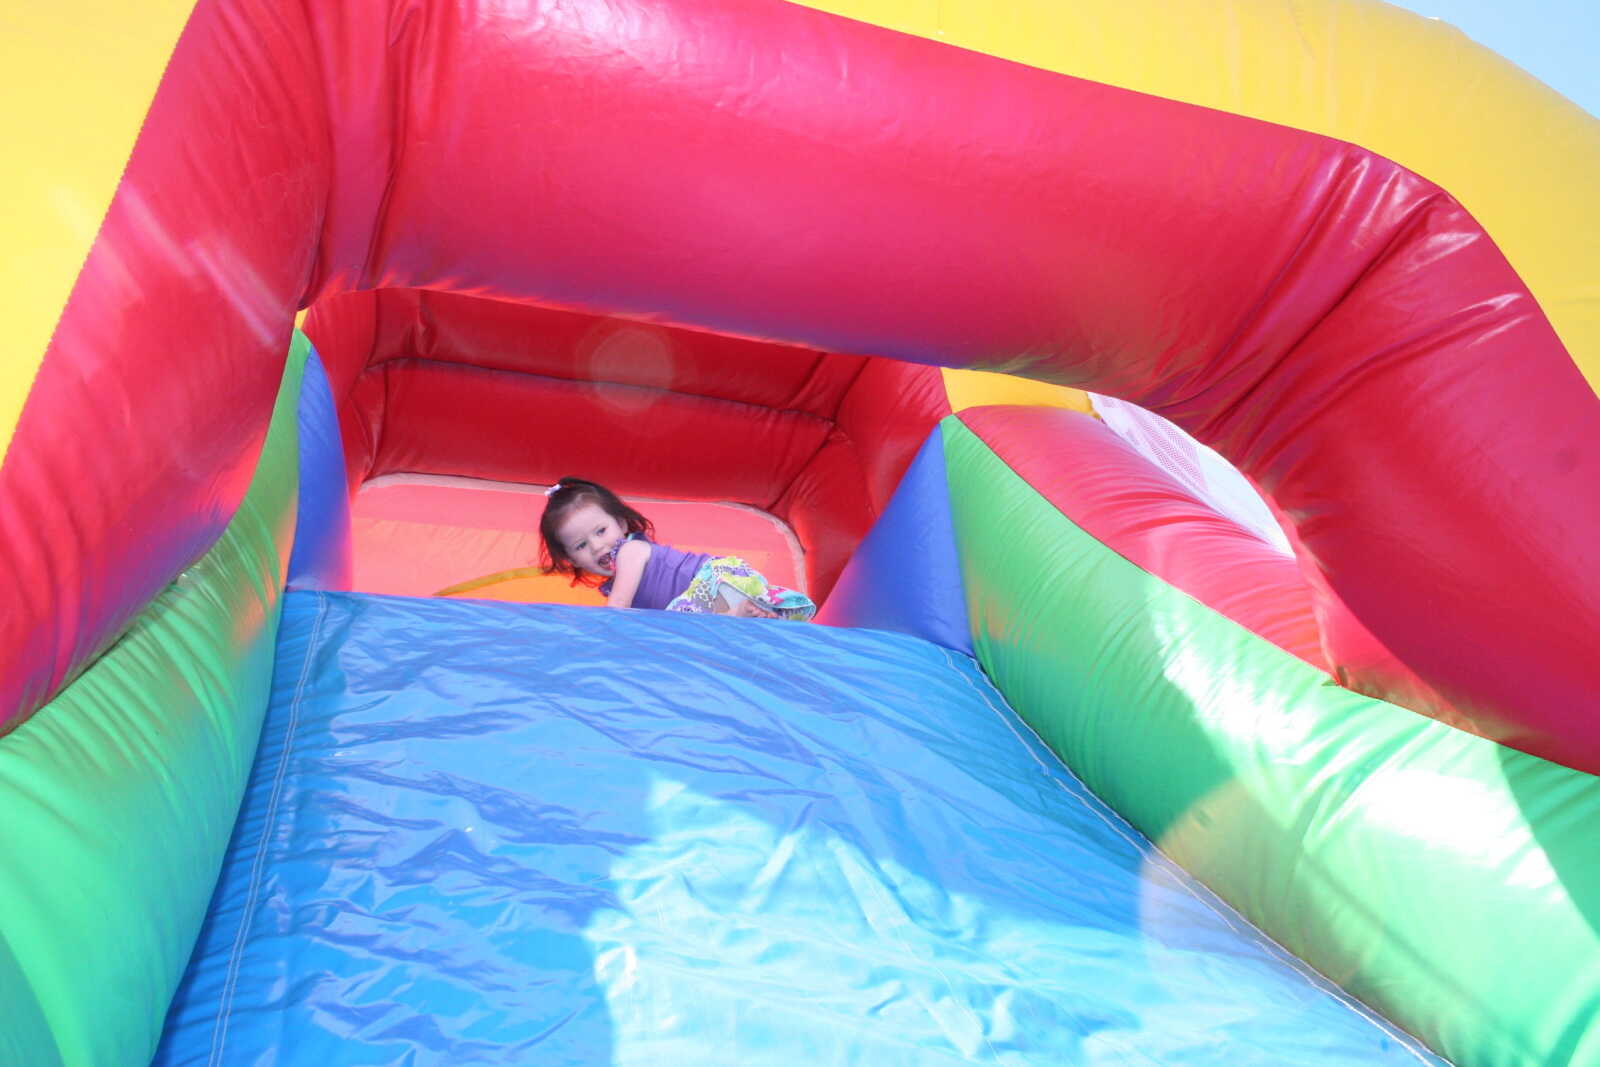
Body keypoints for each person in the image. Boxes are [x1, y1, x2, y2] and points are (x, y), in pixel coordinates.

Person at [538, 478, 816, 620]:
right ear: (571, 558)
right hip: (711, 599)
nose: (597, 545)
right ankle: (754, 613)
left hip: (714, 582)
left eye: (601, 531)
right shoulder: (616, 578)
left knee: (687, 621)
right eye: (581, 545)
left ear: (621, 524)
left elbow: (618, 609)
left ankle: (739, 611)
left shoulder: (630, 552)